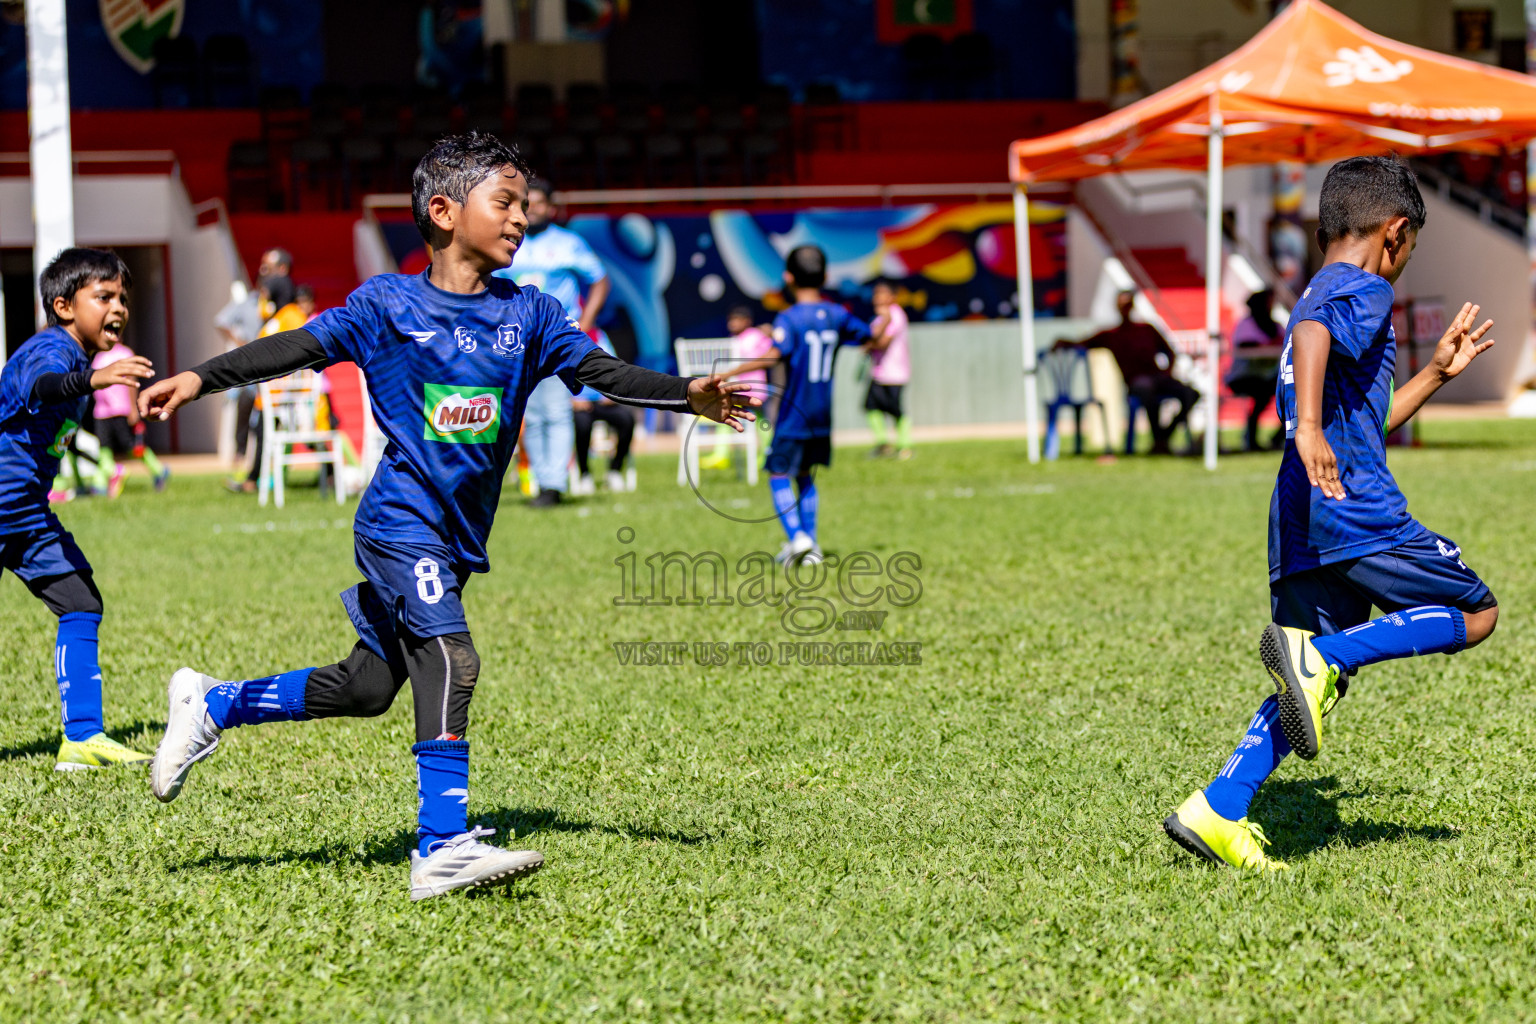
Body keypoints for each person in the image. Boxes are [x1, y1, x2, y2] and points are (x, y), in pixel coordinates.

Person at [138, 132, 756, 901]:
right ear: (442, 210)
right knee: (453, 659)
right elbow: (295, 348)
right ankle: (442, 845)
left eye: (524, 206)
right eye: (504, 202)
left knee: (367, 688)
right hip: (400, 523)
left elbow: (601, 371)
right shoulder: (386, 306)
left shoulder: (530, 313)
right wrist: (199, 377)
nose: (520, 219)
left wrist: (682, 393)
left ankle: (213, 703)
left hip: (455, 540)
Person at [1163, 156, 1499, 871]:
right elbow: (1315, 333)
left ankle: (1219, 806)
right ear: (1396, 234)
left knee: (1309, 687)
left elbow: (1365, 415)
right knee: (1476, 614)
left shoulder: (1322, 281)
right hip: (1356, 511)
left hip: (1300, 518)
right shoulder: (1364, 287)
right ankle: (1322, 659)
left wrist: (1434, 374)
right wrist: (1309, 426)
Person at [0, 248, 157, 769]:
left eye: (123, 299)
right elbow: (45, 387)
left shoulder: (79, 357)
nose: (119, 307)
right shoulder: (52, 350)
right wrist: (92, 380)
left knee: (80, 602)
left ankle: (83, 738)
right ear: (65, 306)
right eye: (104, 296)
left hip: (24, 514)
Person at [736, 245, 870, 566]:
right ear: (825, 277)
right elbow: (867, 335)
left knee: (778, 472)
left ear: (788, 278)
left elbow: (775, 352)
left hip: (794, 413)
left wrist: (729, 371)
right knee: (807, 474)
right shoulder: (837, 314)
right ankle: (811, 545)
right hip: (822, 413)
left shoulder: (790, 318)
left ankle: (797, 536)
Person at [493, 177, 610, 507]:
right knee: (531, 414)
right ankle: (542, 480)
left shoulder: (569, 243)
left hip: (557, 340)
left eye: (541, 203)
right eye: (529, 204)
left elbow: (600, 280)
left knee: (558, 413)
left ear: (552, 207)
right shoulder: (509, 240)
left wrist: (585, 325)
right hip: (519, 341)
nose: (536, 210)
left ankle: (555, 485)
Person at [1081, 291, 1198, 455]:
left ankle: (1162, 437)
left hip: (1158, 378)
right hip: (1137, 383)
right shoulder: (1112, 335)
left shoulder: (1147, 330)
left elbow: (1169, 352)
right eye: (1122, 304)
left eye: (1128, 304)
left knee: (1191, 394)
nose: (1125, 308)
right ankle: (1159, 440)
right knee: (1146, 389)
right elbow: (1081, 343)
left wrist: (1167, 371)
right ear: (1117, 307)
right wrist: (1061, 342)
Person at [231, 285, 318, 494]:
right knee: (264, 433)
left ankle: (255, 479)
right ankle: (255, 478)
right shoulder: (282, 317)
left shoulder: (289, 316)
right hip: (276, 392)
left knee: (271, 434)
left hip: (283, 393)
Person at [90, 339, 170, 497]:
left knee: (131, 446)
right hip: (101, 411)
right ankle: (100, 484)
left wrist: (134, 409)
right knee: (104, 448)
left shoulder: (125, 353)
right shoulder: (99, 356)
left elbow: (132, 382)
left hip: (121, 409)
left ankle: (158, 470)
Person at [571, 330, 636, 494]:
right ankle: (584, 473)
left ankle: (615, 470)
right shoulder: (567, 336)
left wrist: (613, 394)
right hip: (579, 403)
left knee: (627, 420)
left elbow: (614, 368)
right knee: (582, 425)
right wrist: (571, 401)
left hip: (604, 401)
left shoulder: (601, 336)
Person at [1226, 289, 1284, 452]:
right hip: (1243, 377)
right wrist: (1270, 345)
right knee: (1263, 393)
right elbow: (1246, 346)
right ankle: (1251, 437)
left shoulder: (1276, 325)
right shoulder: (1246, 324)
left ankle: (1278, 437)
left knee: (1293, 393)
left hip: (1269, 376)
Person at [864, 280, 912, 460]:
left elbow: (881, 342)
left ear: (893, 296)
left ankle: (905, 444)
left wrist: (884, 323)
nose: (877, 297)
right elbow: (868, 342)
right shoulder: (879, 317)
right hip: (878, 372)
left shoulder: (895, 315)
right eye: (875, 293)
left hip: (895, 373)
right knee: (871, 407)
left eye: (882, 293)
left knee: (895, 409)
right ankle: (883, 443)